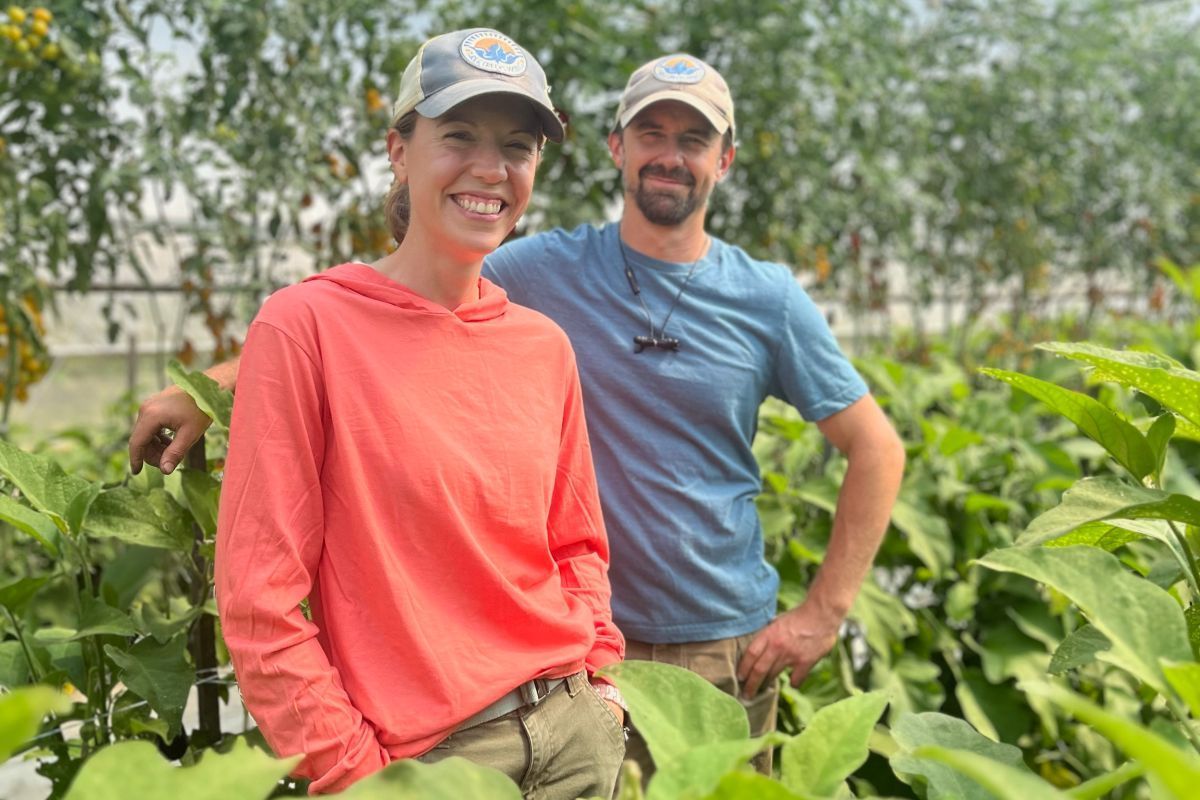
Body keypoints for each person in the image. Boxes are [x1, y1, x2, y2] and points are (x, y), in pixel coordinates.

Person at [132, 52, 904, 779]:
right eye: (651, 133)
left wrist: (823, 612)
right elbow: (393, 305)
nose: (670, 154)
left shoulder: (766, 298)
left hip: (717, 644)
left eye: (694, 139)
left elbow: (876, 448)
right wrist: (214, 387)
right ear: (616, 147)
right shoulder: (544, 268)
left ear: (725, 159)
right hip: (574, 658)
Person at [208, 28, 626, 797]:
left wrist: (601, 685)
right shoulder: (306, 328)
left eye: (518, 147)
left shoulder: (543, 347)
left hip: (575, 736)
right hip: (429, 765)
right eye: (459, 135)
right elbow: (258, 600)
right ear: (398, 150)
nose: (491, 169)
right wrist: (355, 774)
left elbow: (576, 545)